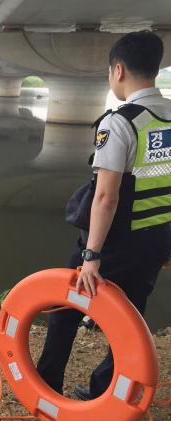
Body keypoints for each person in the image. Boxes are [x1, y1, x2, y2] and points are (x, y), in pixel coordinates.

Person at [37, 31, 171, 400]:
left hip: (114, 242)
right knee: (131, 316)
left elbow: (105, 198)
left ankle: (46, 384)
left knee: (66, 306)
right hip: (156, 234)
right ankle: (104, 392)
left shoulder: (120, 122)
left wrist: (91, 256)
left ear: (118, 70)